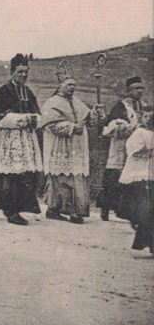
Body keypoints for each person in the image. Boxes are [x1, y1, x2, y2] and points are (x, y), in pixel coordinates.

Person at [39, 62, 104, 223]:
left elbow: (91, 123)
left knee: (77, 177)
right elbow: (50, 125)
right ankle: (54, 209)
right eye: (69, 84)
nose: (72, 88)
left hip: (77, 147)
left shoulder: (77, 102)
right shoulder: (52, 102)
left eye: (74, 85)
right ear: (60, 85)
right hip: (60, 146)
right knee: (60, 179)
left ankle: (76, 212)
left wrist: (96, 112)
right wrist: (72, 127)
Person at [0, 53, 43, 226]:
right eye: (20, 72)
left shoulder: (28, 92)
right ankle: (10, 211)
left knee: (23, 175)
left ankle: (16, 207)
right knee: (9, 176)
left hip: (25, 140)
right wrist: (22, 119)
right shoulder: (3, 92)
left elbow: (38, 114)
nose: (23, 75)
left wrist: (34, 119)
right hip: (8, 140)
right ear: (11, 72)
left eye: (26, 72)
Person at [98, 76, 148, 220]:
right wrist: (136, 128)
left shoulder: (144, 106)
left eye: (141, 88)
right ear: (128, 91)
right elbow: (115, 127)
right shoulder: (121, 106)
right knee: (115, 177)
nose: (140, 91)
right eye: (136, 88)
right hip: (121, 146)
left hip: (138, 148)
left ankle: (131, 211)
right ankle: (106, 207)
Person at [117, 111, 153, 255]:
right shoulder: (140, 133)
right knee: (147, 211)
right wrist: (150, 153)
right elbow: (133, 150)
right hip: (140, 175)